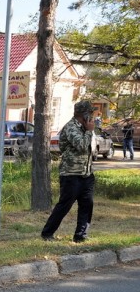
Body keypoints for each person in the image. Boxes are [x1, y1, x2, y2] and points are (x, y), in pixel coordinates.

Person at [41, 100, 97, 243]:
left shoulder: (85, 128)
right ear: (83, 115)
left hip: (86, 174)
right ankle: (47, 233)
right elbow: (82, 146)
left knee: (87, 204)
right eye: (91, 113)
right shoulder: (71, 128)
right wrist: (90, 131)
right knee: (65, 205)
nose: (93, 116)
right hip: (71, 174)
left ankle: (80, 235)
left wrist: (89, 131)